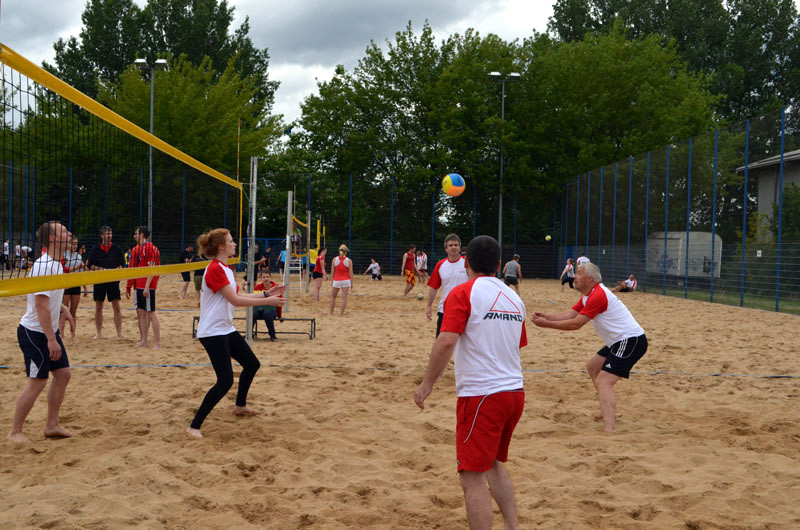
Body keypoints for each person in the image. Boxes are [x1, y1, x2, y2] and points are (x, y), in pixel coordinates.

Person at [414, 235, 527, 530]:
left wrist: (427, 384)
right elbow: (517, 344)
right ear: (499, 265)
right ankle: (512, 526)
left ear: (466, 264)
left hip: (482, 396)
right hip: (514, 392)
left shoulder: (463, 292)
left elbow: (446, 341)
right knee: (493, 464)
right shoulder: (514, 299)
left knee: (472, 476)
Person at [187, 229, 285, 438]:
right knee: (225, 381)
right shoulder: (214, 269)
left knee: (252, 364)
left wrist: (266, 293)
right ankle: (194, 426)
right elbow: (236, 301)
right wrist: (268, 301)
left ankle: (240, 406)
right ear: (221, 246)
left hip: (225, 328)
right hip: (212, 332)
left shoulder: (227, 268)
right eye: (231, 241)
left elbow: (239, 295)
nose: (234, 244)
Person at [531, 262, 647, 433]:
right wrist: (547, 316)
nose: (574, 276)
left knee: (604, 381)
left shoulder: (598, 295)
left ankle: (610, 428)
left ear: (590, 279)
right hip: (618, 341)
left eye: (579, 273)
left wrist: (546, 324)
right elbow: (570, 314)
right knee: (593, 367)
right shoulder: (588, 294)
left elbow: (575, 324)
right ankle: (605, 409)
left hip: (631, 340)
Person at [7, 221, 76, 443]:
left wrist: (62, 308)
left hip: (47, 330)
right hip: (34, 333)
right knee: (37, 381)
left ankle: (51, 425)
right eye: (64, 231)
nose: (69, 234)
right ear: (53, 238)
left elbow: (47, 296)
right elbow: (40, 304)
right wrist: (51, 339)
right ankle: (15, 432)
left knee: (63, 374)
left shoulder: (56, 263)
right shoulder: (44, 265)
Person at [86, 225, 126, 339]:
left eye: (110, 233)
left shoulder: (117, 248)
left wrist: (115, 270)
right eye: (107, 234)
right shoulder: (95, 249)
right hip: (100, 280)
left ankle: (119, 333)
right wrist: (103, 270)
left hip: (113, 280)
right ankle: (99, 333)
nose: (109, 236)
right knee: (99, 307)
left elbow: (122, 265)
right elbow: (90, 266)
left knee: (116, 307)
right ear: (102, 235)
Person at [426, 234, 469, 337]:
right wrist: (429, 306)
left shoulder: (468, 264)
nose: (453, 247)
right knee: (441, 341)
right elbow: (434, 287)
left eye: (456, 245)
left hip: (465, 310)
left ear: (459, 247)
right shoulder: (440, 265)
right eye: (450, 245)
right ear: (446, 249)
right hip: (445, 310)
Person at [126, 226, 161, 348]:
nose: (134, 235)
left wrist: (146, 287)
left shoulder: (151, 248)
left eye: (136, 233)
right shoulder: (138, 248)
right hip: (139, 285)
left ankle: (157, 342)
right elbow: (133, 268)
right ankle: (144, 340)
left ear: (142, 234)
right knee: (141, 312)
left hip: (148, 286)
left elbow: (152, 269)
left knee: (150, 313)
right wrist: (129, 286)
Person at [60, 235, 88, 341]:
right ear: (68, 244)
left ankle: (73, 335)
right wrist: (77, 267)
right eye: (73, 244)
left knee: (73, 312)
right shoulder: (63, 255)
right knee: (64, 311)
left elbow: (81, 273)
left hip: (76, 284)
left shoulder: (78, 256)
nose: (75, 246)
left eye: (76, 244)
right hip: (66, 285)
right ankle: (62, 334)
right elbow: (64, 269)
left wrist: (85, 287)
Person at [253, 270, 283, 341]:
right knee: (253, 314)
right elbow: (254, 300)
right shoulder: (257, 287)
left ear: (270, 277)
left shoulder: (276, 287)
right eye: (263, 277)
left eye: (267, 277)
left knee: (267, 314)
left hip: (272, 310)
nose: (266, 279)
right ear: (261, 278)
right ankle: (249, 334)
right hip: (259, 309)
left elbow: (279, 302)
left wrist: (279, 316)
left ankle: (272, 335)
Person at [329, 244, 354, 316]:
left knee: (333, 297)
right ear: (346, 252)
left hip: (336, 280)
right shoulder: (349, 261)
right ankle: (341, 314)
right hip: (346, 280)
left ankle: (331, 312)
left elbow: (332, 272)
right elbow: (351, 273)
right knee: (344, 298)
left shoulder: (334, 260)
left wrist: (332, 281)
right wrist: (352, 283)